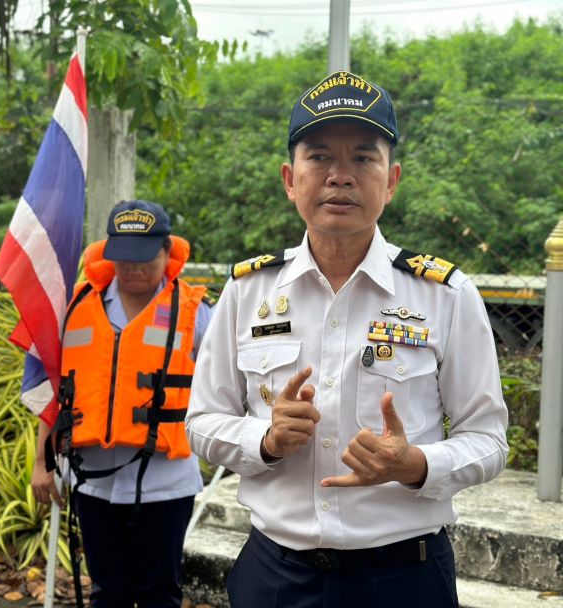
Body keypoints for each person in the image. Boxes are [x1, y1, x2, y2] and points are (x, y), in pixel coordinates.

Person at [185, 71, 509, 608]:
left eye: (363, 158)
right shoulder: (248, 292)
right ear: (290, 179)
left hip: (405, 578)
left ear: (392, 179)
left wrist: (416, 465)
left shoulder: (446, 296)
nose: (340, 176)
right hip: (275, 577)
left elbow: (489, 439)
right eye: (319, 158)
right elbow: (201, 421)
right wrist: (264, 440)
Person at [31, 199, 213, 608]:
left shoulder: (196, 313)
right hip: (92, 479)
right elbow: (53, 392)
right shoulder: (76, 306)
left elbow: (227, 386)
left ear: (168, 251)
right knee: (107, 591)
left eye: (144, 259)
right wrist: (41, 462)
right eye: (123, 259)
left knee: (159, 593)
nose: (132, 270)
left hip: (166, 484)